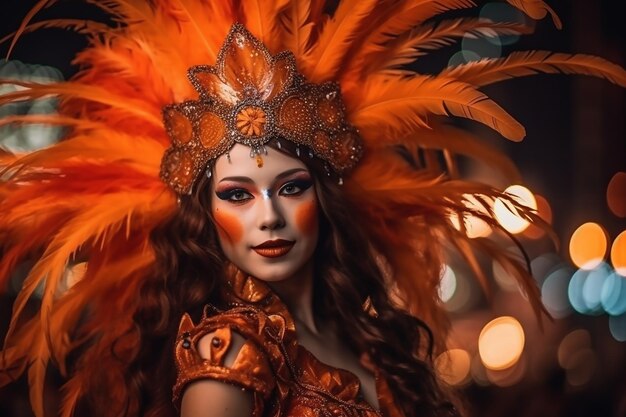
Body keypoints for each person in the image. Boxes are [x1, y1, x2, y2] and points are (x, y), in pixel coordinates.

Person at [0, 1, 624, 417]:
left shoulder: (369, 335)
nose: (267, 215)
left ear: (322, 200)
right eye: (237, 194)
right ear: (203, 216)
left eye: (290, 187)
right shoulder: (226, 360)